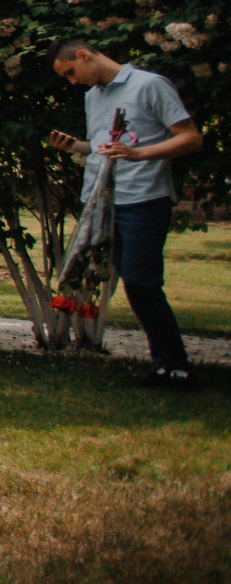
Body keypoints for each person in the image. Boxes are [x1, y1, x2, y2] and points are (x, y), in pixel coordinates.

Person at [51, 38, 204, 388]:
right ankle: (166, 366)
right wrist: (76, 146)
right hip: (103, 202)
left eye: (72, 72)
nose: (73, 82)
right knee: (135, 286)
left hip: (144, 199)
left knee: (140, 281)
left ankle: (178, 368)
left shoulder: (149, 86)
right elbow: (107, 148)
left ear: (85, 55)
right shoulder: (94, 96)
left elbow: (191, 138)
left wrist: (140, 155)